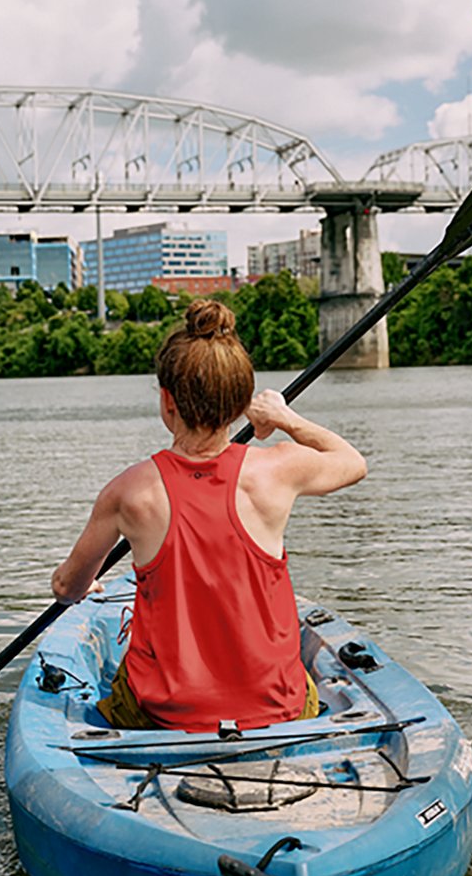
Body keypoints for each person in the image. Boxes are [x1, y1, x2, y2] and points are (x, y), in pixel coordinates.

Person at [50, 298, 367, 732]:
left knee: (121, 684)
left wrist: (82, 584)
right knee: (301, 686)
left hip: (164, 716)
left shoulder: (128, 492)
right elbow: (352, 462)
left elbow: (66, 588)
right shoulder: (279, 469)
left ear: (168, 401)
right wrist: (285, 418)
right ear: (240, 405)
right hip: (279, 707)